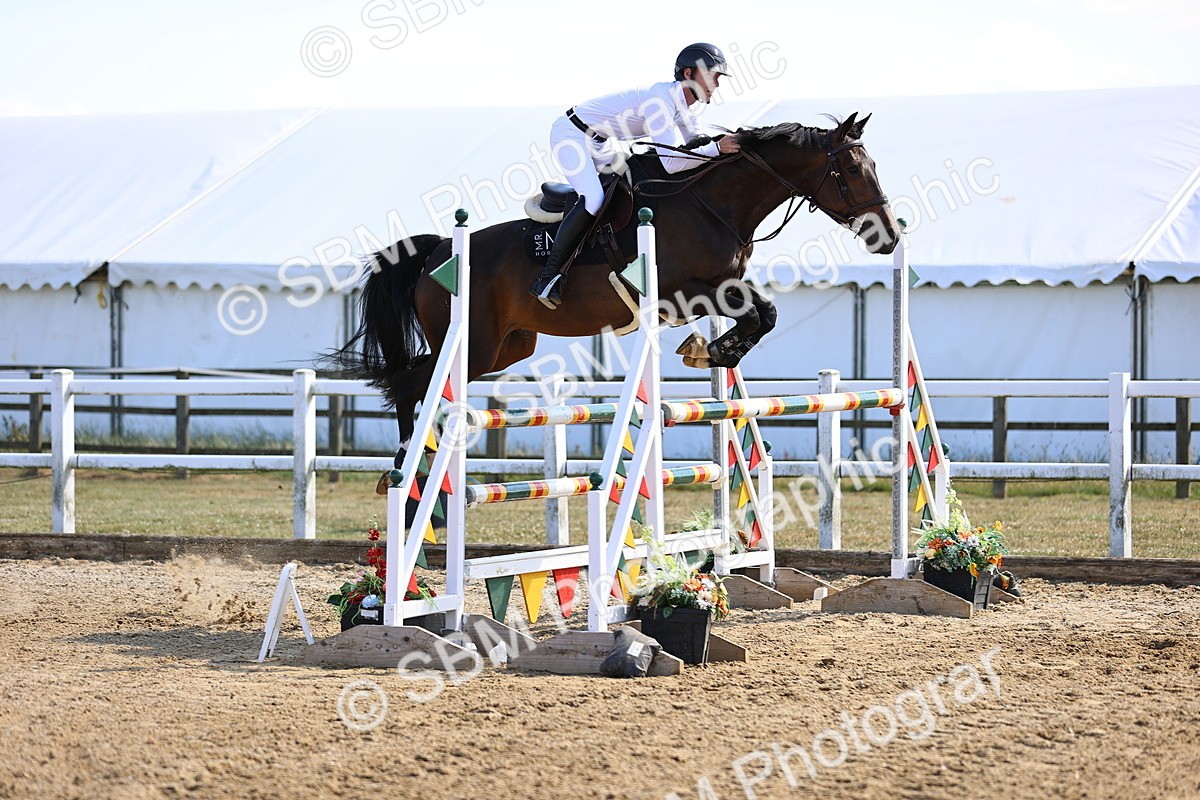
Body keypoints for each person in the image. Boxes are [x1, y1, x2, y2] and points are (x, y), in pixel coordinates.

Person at [530, 42, 742, 309]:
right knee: (594, 199)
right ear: (689, 74)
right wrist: (716, 149)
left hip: (601, 142)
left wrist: (731, 147)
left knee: (629, 188)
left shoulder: (682, 105)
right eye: (713, 75)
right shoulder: (660, 102)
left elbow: (696, 143)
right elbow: (670, 162)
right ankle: (548, 276)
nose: (717, 84)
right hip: (571, 136)